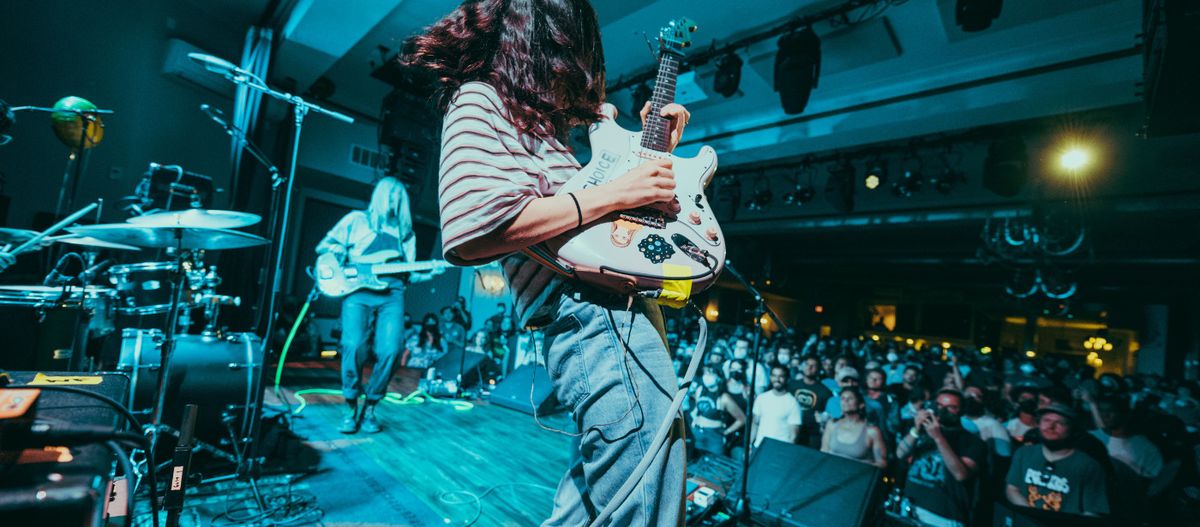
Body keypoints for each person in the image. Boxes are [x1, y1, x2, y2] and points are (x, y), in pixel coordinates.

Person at [406, 1, 693, 523]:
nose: (582, 65)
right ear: (550, 39)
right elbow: (472, 230)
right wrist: (615, 193)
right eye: (576, 47)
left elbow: (590, 215)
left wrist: (648, 155)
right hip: (588, 309)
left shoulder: (541, 126)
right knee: (645, 476)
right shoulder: (481, 98)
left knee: (592, 497)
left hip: (605, 307)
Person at [317, 176, 441, 434]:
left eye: (400, 197)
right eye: (391, 194)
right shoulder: (356, 220)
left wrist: (432, 270)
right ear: (380, 195)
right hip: (357, 291)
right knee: (352, 346)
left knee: (392, 350)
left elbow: (410, 272)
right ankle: (351, 404)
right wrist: (341, 260)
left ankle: (371, 404)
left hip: (392, 293)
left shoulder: (406, 233)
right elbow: (325, 247)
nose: (395, 200)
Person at [896, 388, 987, 527]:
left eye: (951, 407)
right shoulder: (923, 432)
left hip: (942, 516)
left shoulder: (972, 441)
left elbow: (961, 474)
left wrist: (938, 437)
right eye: (939, 405)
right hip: (910, 508)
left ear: (961, 411)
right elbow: (900, 453)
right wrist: (915, 430)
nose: (942, 410)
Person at [1005, 403, 1109, 516]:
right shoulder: (1023, 453)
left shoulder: (1088, 466)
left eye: (1060, 423)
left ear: (1072, 429)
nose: (1051, 426)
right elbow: (1012, 489)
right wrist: (1032, 517)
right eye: (1046, 420)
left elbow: (1092, 512)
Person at [821, 387, 888, 469]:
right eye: (843, 398)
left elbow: (882, 463)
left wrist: (860, 468)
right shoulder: (832, 425)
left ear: (861, 405)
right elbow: (824, 451)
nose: (845, 401)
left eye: (850, 398)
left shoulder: (872, 431)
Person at [690, 368, 746, 457]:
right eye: (706, 373)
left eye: (711, 373)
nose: (707, 376)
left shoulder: (724, 398)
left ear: (719, 377)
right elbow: (697, 410)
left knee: (714, 465)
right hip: (698, 433)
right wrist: (694, 422)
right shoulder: (700, 390)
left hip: (714, 436)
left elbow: (742, 419)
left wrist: (726, 432)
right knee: (696, 463)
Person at [751, 365, 803, 448]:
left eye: (781, 376)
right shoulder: (761, 398)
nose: (777, 379)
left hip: (779, 451)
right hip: (759, 447)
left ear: (787, 379)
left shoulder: (793, 403)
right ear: (770, 377)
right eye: (774, 376)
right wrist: (749, 446)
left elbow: (794, 435)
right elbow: (755, 424)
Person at [790, 355, 833, 447]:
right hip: (791, 428)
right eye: (807, 364)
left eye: (813, 366)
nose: (809, 367)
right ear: (802, 366)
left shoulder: (825, 392)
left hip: (812, 434)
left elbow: (827, 415)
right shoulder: (792, 385)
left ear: (818, 369)